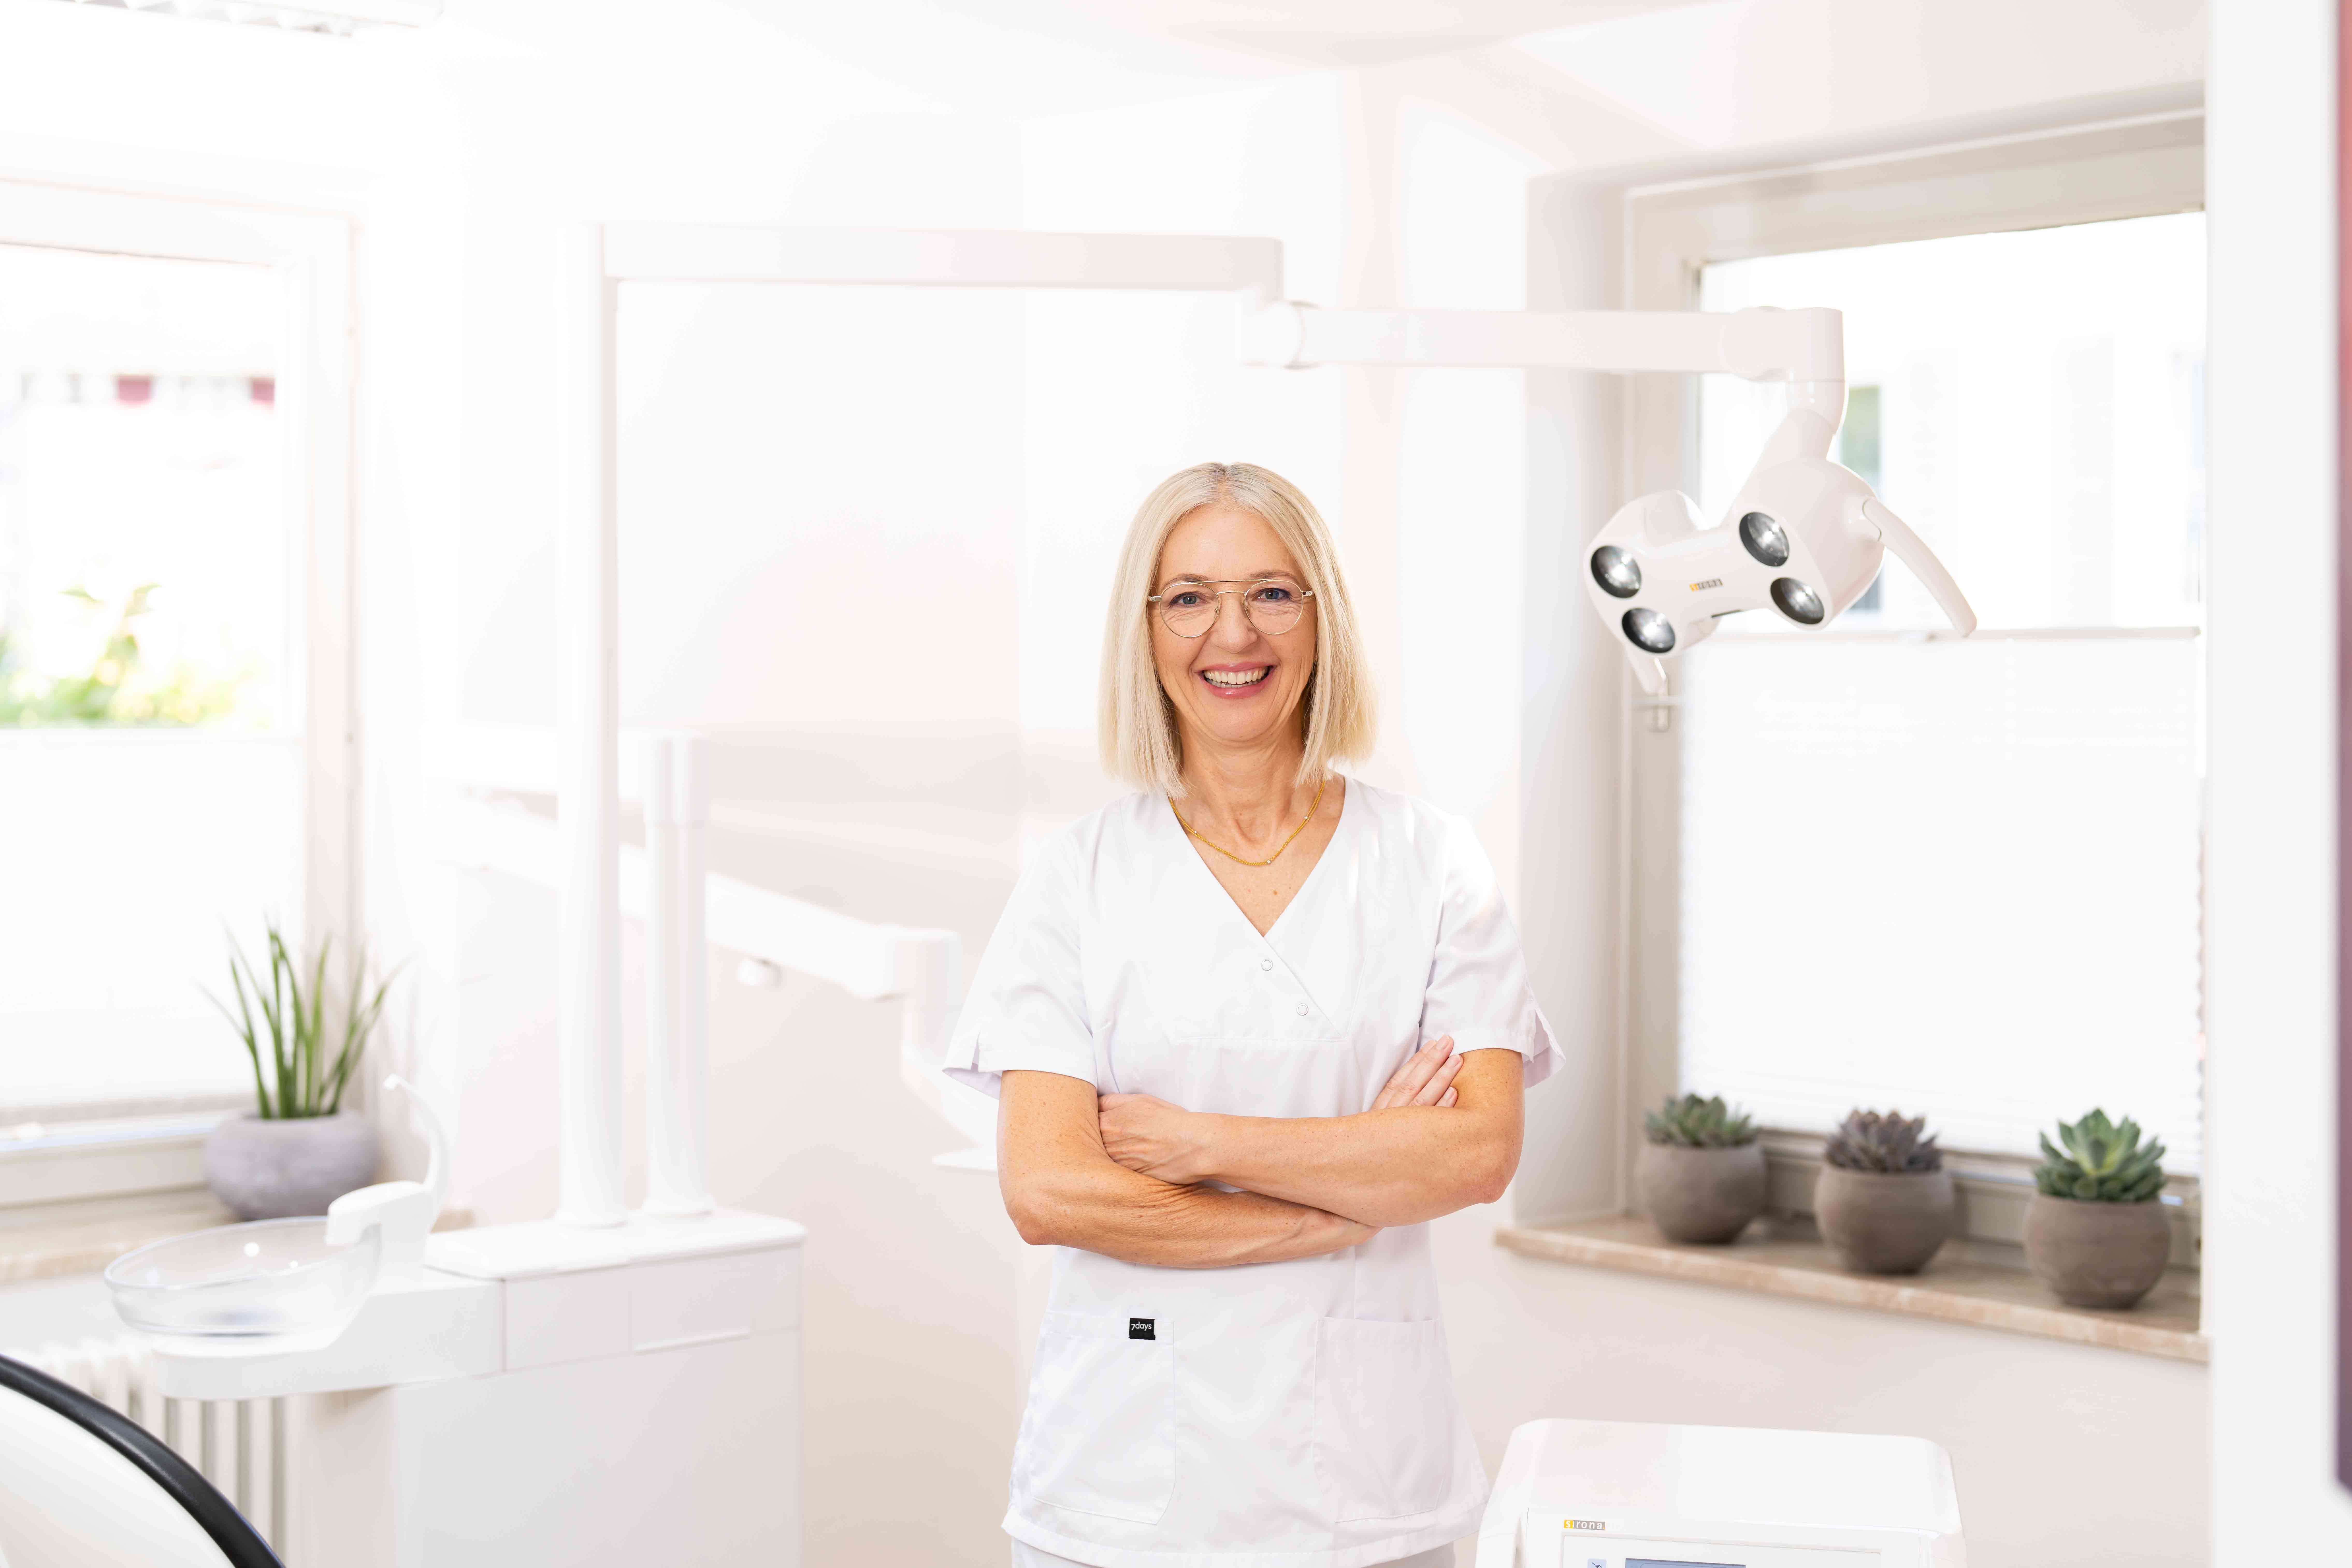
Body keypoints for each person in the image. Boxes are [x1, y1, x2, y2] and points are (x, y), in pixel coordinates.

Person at [943, 461, 1562, 1568]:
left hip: (1367, 1495)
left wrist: (1199, 1145)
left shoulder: (1432, 864)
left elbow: (1475, 1150)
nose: (1233, 632)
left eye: (1273, 591)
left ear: (1322, 616)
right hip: (1122, 1492)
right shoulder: (1077, 877)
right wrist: (1337, 1205)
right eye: (1188, 596)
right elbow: (1049, 1188)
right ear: (1147, 628)